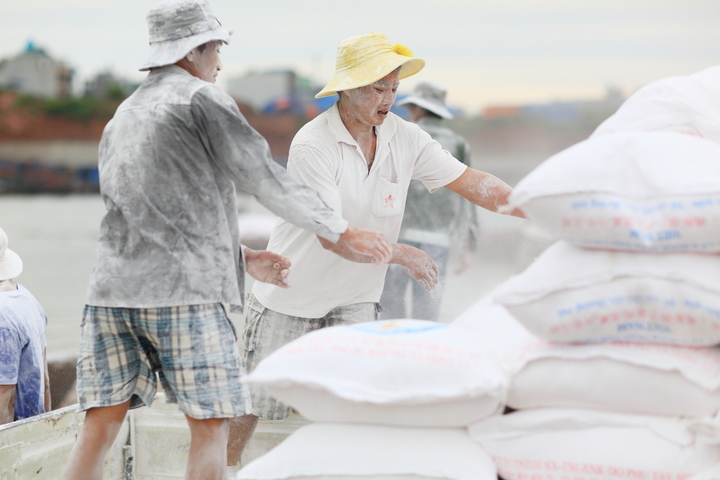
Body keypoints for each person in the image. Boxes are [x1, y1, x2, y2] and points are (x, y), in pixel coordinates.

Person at [62, 3, 391, 479]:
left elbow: (140, 215)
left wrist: (241, 258)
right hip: (186, 297)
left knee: (100, 426)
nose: (220, 61)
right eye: (216, 48)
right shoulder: (202, 100)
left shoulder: (124, 113)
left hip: (110, 297)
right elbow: (262, 177)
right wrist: (340, 228)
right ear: (193, 51)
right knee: (211, 426)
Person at [233, 32, 525, 457]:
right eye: (376, 87)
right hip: (292, 293)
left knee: (357, 403)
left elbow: (474, 184)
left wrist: (535, 207)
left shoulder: (406, 137)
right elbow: (334, 236)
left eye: (393, 87)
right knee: (255, 405)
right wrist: (404, 254)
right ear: (347, 89)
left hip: (356, 297)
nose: (387, 98)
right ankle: (218, 469)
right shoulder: (313, 144)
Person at [379, 80, 479, 321]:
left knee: (391, 304)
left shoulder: (400, 135)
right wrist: (467, 244)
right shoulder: (458, 143)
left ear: (418, 109)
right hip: (438, 239)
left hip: (398, 236)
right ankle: (422, 351)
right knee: (427, 306)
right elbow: (469, 192)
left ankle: (393, 350)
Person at [0, 227, 51, 425]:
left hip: (14, 440)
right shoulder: (26, 298)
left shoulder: (2, 319)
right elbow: (45, 382)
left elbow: (4, 399)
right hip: (32, 429)